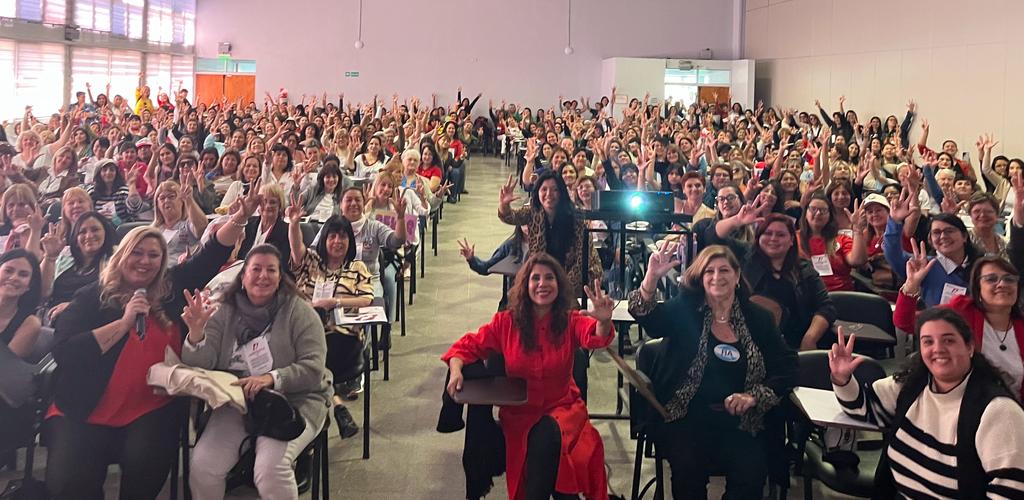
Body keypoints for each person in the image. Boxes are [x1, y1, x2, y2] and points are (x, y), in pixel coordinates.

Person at [44, 185, 260, 500]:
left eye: (153, 255)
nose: (145, 261)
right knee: (69, 484)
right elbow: (65, 352)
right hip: (84, 408)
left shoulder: (169, 288)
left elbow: (210, 255)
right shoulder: (91, 297)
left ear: (162, 262)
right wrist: (123, 323)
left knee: (145, 465)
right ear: (122, 255)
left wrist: (240, 217)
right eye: (137, 253)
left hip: (151, 406)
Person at [627, 244, 797, 499]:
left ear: (737, 277)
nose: (717, 277)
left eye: (724, 270)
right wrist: (651, 277)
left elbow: (787, 366)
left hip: (743, 421)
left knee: (751, 475)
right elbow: (648, 318)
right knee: (688, 472)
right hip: (686, 416)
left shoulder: (758, 318)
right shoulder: (686, 309)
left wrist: (753, 396)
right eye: (709, 271)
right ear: (701, 278)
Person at [443, 253, 615, 500]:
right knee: (541, 445)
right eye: (535, 278)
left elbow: (595, 335)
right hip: (520, 417)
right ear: (525, 285)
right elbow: (467, 346)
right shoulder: (506, 323)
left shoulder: (570, 321)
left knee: (548, 436)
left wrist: (604, 321)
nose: (542, 284)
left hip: (563, 411)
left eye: (549, 278)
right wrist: (456, 369)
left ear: (559, 284)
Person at [181, 245, 332, 500]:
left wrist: (271, 379)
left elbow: (314, 369)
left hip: (295, 401)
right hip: (237, 402)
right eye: (256, 269)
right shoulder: (223, 311)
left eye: (271, 270)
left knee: (270, 469)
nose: (263, 276)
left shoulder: (299, 312)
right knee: (202, 467)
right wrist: (196, 334)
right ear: (242, 276)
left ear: (280, 277)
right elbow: (201, 365)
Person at [829, 309, 1024, 498]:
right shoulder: (912, 384)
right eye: (928, 342)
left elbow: (1012, 490)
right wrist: (843, 380)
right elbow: (865, 409)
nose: (937, 348)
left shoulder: (999, 411)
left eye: (948, 340)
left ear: (970, 347)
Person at [286, 209, 373, 439]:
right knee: (310, 360)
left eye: (343, 236)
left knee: (308, 363)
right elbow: (296, 250)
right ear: (324, 240)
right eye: (332, 236)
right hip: (306, 336)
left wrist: (334, 302)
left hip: (342, 339)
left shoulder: (357, 268)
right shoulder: (311, 262)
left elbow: (367, 299)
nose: (337, 241)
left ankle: (311, 434)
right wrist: (294, 224)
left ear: (349, 241)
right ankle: (336, 405)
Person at [894, 248, 1024, 397]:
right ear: (977, 288)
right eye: (991, 279)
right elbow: (905, 322)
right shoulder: (961, 311)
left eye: (1009, 279)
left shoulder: (1021, 326)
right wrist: (912, 284)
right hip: (962, 405)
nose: (1002, 284)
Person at [706, 210, 837, 350]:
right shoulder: (745, 256)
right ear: (759, 237)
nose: (773, 239)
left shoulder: (804, 269)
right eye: (768, 233)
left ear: (792, 240)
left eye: (781, 235)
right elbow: (712, 236)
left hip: (793, 344)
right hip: (746, 341)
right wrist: (736, 221)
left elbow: (826, 307)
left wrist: (810, 338)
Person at [498, 170, 602, 296]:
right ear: (538, 192)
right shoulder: (534, 211)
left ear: (561, 193)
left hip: (576, 278)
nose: (549, 194)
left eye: (555, 190)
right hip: (543, 273)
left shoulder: (576, 218)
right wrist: (504, 205)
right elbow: (510, 217)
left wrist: (560, 288)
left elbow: (581, 262)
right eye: (544, 190)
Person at [885, 187, 983, 306]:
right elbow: (893, 254)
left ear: (964, 236)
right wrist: (894, 222)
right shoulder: (923, 266)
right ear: (930, 240)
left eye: (949, 231)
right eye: (936, 233)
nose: (943, 236)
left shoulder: (981, 265)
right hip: (934, 322)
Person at [0, 249, 44, 456]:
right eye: (9, 270)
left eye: (23, 274)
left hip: (5, 401)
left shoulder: (30, 323)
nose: (14, 278)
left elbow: (5, 371)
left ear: (29, 286)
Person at [40, 212, 115, 324]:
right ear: (76, 238)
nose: (89, 236)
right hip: (51, 320)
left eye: (95, 230)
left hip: (91, 320)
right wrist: (50, 257)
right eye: (82, 232)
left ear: (106, 232)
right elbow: (43, 293)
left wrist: (73, 306)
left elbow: (112, 299)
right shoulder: (65, 257)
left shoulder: (114, 260)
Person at [797, 193, 867, 291]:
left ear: (830, 215)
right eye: (813, 209)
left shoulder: (841, 239)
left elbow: (857, 261)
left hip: (840, 295)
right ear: (805, 213)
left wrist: (858, 230)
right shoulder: (793, 238)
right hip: (806, 294)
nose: (818, 213)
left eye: (823, 210)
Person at [151, 178, 209, 266]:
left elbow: (202, 226)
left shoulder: (188, 225)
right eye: (162, 198)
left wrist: (189, 200)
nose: (166, 200)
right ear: (157, 205)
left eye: (171, 196)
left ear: (181, 201)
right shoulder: (153, 230)